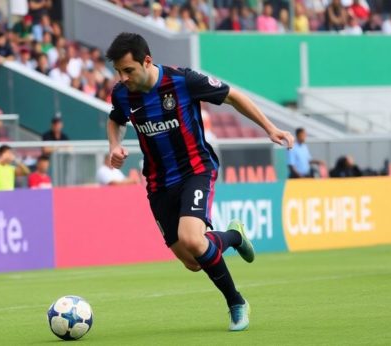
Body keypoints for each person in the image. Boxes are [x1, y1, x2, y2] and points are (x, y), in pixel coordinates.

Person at [105, 32, 294, 331]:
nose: (123, 77)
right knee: (193, 261)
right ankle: (234, 236)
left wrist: (270, 128)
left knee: (194, 239)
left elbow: (233, 96)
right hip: (157, 183)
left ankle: (236, 302)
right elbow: (116, 119)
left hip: (195, 170)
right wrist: (114, 145)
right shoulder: (122, 94)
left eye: (128, 70)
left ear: (147, 61)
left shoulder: (183, 81)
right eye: (118, 71)